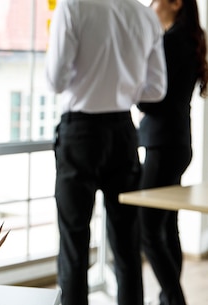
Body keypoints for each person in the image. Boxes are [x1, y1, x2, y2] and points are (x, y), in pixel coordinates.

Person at [46, 0, 167, 304]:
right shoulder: (143, 15)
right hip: (123, 131)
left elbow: (56, 81)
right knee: (127, 243)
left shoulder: (72, 7)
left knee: (75, 242)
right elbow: (156, 89)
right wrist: (123, 86)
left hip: (80, 132)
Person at [137, 1, 208, 304]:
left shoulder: (171, 41)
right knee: (166, 226)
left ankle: (174, 298)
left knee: (147, 228)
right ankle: (170, 299)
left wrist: (135, 92)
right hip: (177, 143)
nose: (151, 4)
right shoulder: (189, 38)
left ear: (176, 3)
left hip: (163, 144)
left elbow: (151, 100)